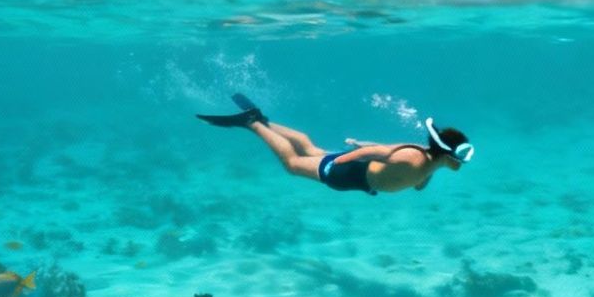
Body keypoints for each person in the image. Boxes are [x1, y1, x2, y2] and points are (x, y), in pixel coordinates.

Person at [198, 93, 471, 195]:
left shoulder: (428, 160)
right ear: (447, 154)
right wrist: (337, 161)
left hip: (358, 173)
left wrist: (355, 146)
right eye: (461, 155)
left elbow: (415, 182)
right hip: (348, 173)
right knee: (293, 164)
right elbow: (374, 152)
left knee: (310, 148)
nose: (463, 161)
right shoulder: (414, 158)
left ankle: (263, 121)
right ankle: (251, 123)